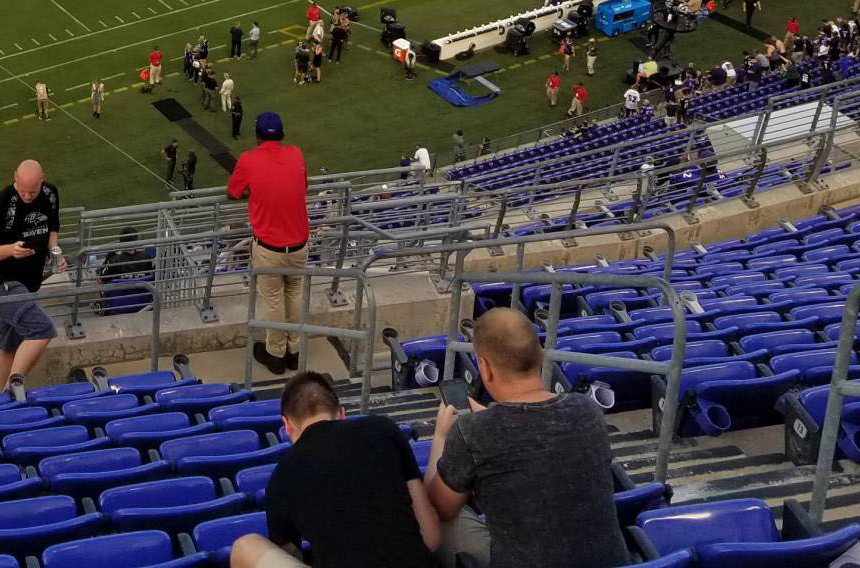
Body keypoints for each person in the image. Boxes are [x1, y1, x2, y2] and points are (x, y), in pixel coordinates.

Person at [425, 307, 628, 568]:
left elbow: (440, 508)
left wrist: (442, 436)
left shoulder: (473, 431)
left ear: (484, 367)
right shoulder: (587, 410)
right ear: (540, 354)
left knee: (438, 517)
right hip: (611, 562)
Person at [230, 371, 438, 568]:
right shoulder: (384, 429)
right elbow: (431, 537)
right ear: (341, 414)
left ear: (287, 426)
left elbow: (291, 555)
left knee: (245, 546)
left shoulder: (279, 479)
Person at [228, 110, 310, 373]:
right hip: (299, 243)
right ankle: (295, 350)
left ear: (257, 135)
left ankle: (276, 354)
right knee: (294, 293)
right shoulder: (296, 153)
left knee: (273, 299)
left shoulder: (249, 159)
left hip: (270, 247)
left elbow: (233, 191)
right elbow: (303, 184)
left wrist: (256, 190)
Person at [0, 158, 65, 387]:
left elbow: (52, 227)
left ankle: (1, 402)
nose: (27, 196)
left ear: (42, 180)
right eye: (23, 191)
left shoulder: (51, 194)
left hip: (28, 282)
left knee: (9, 346)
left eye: (32, 191)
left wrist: (55, 254)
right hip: (1, 283)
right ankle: (12, 391)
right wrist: (11, 250)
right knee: (42, 329)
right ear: (14, 178)